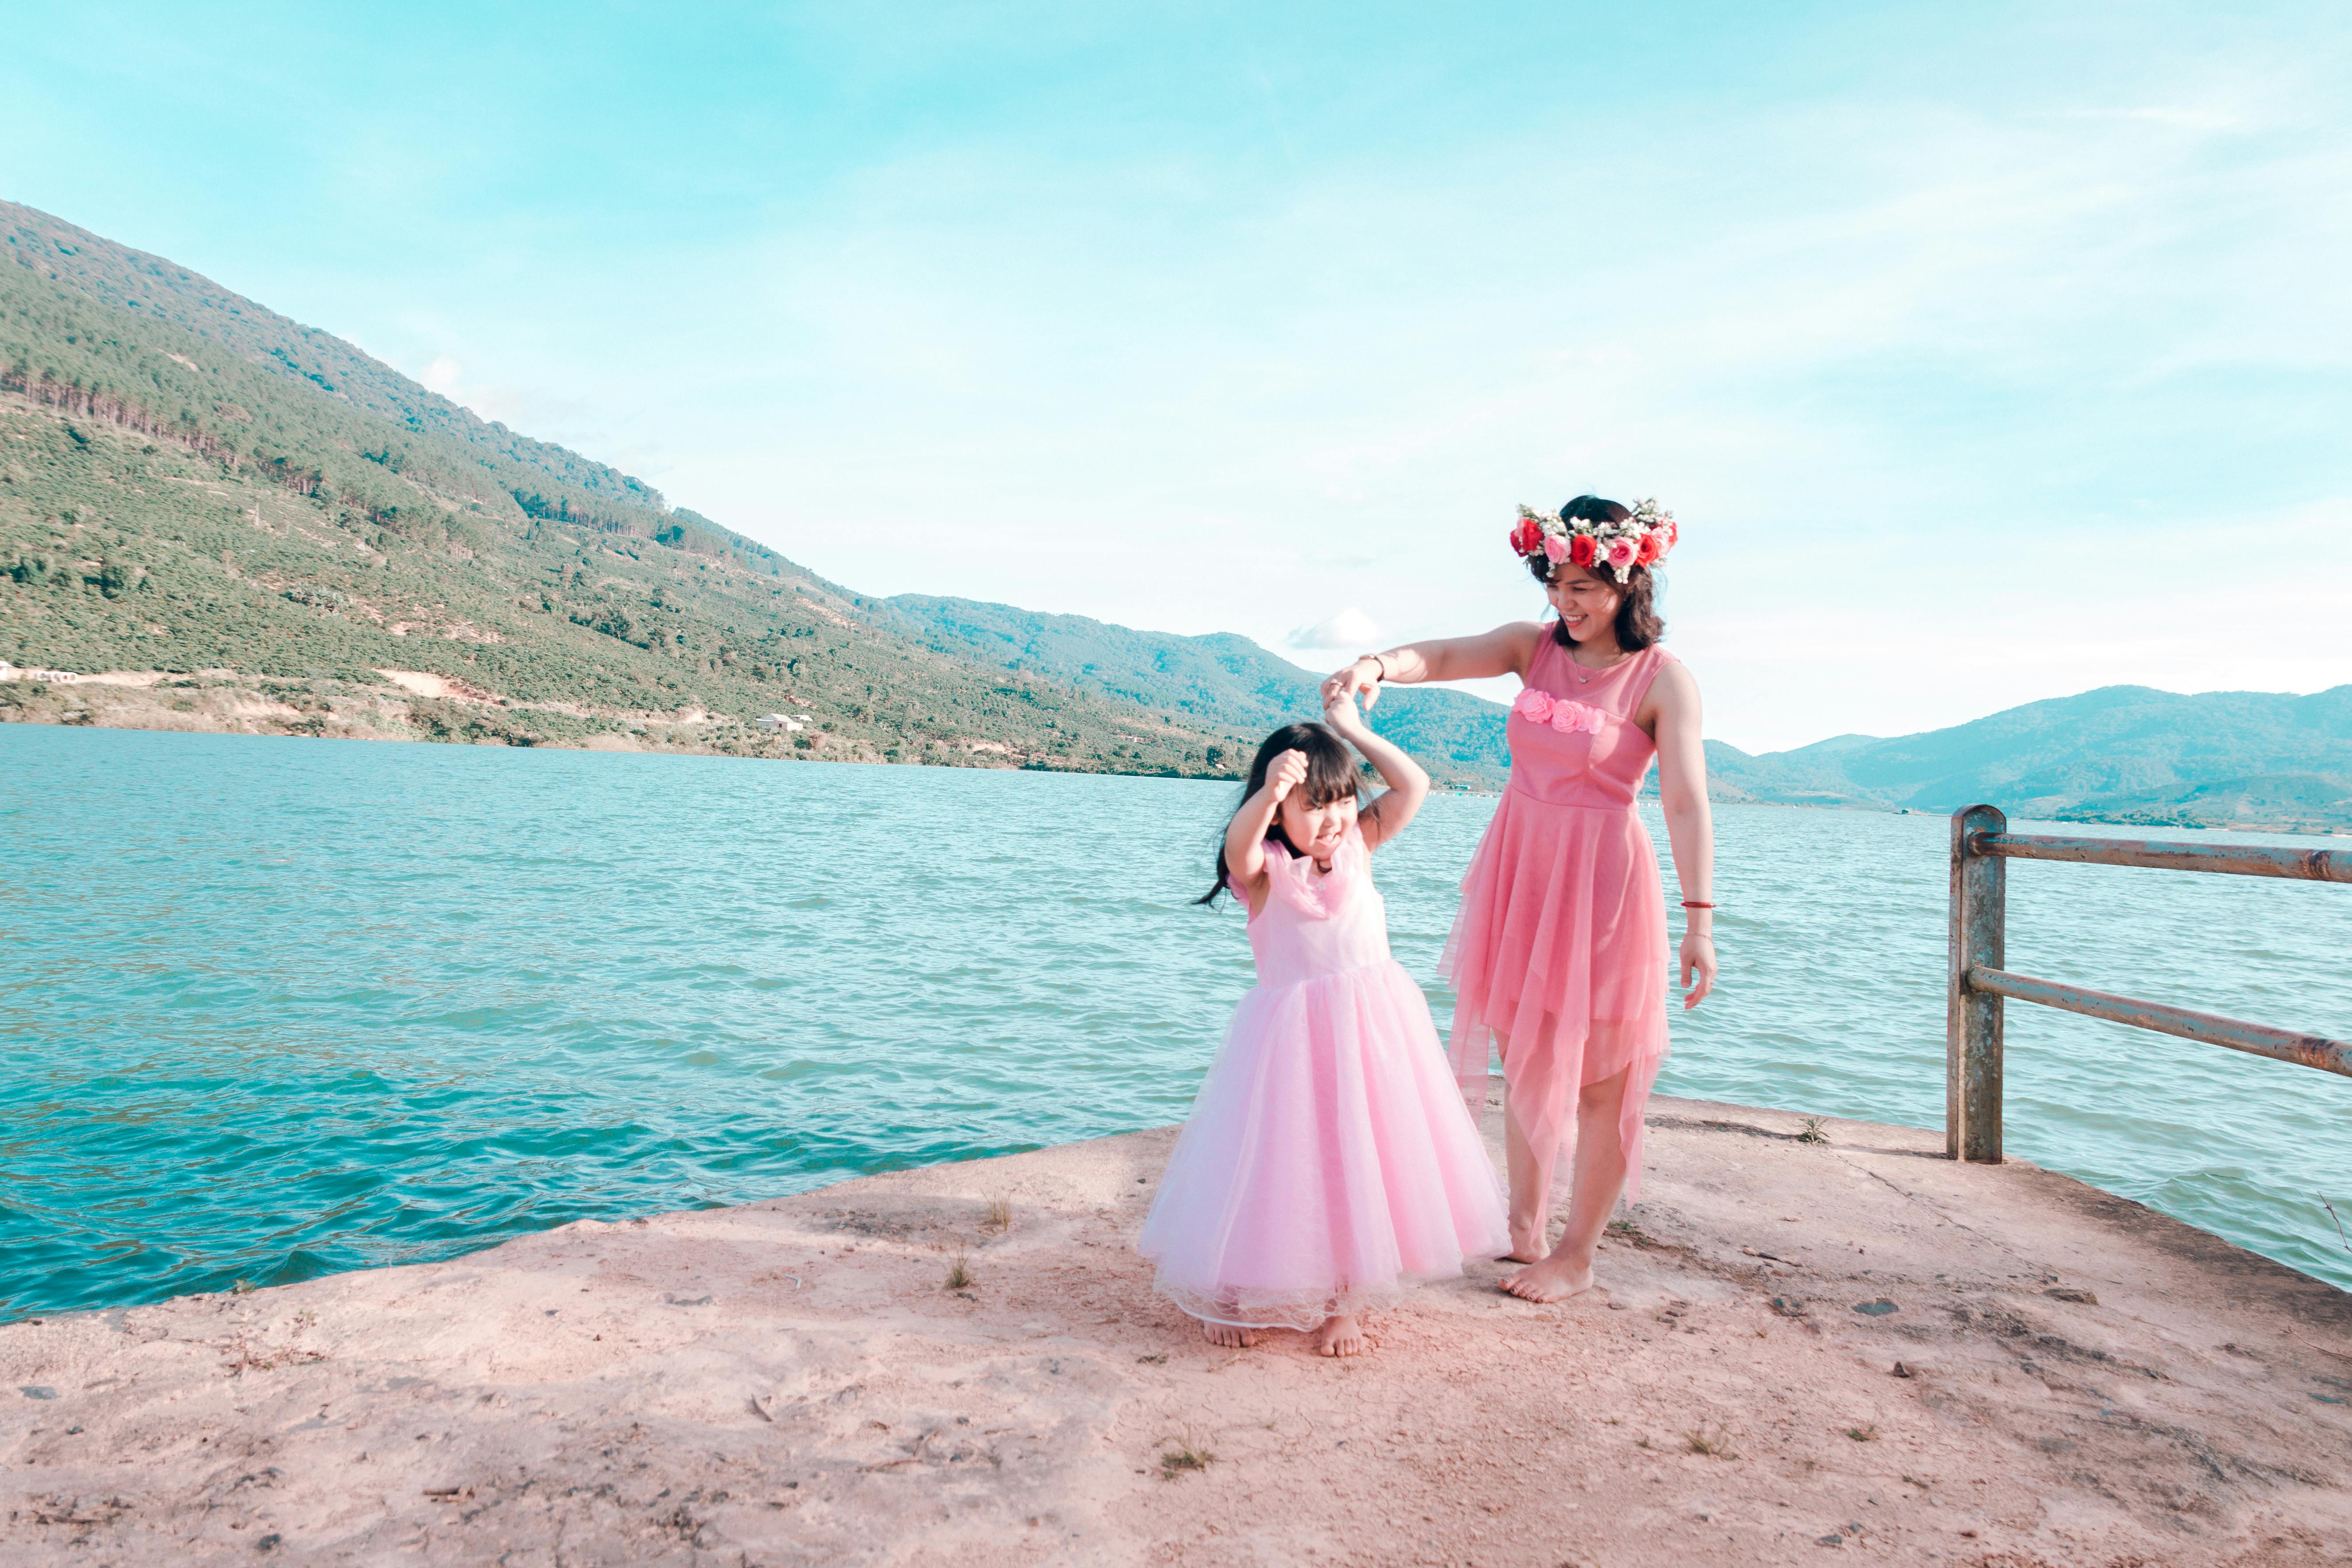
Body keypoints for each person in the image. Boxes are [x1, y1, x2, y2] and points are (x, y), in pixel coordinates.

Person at [1321, 494, 1717, 1305]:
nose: (1566, 604)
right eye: (1556, 584)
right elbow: (1440, 655)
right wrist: (1374, 668)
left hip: (1605, 881)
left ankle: (1576, 1255)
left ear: (1630, 583)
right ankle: (1525, 1230)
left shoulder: (1663, 681)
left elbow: (1686, 801)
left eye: (1584, 588)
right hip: (1520, 866)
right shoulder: (1529, 648)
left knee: (1602, 1077)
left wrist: (1700, 921)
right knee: (1523, 1052)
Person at [1136, 688, 1510, 1355]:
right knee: (1269, 1165)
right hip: (1289, 1046)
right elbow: (1238, 847)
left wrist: (1350, 728)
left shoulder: (1362, 844)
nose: (1335, 817)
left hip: (1372, 1035)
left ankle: (1344, 1301)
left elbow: (1413, 784)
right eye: (1313, 806)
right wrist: (1270, 790)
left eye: (1340, 800)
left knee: (1359, 1163)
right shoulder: (1263, 874)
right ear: (1280, 814)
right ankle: (1229, 1287)